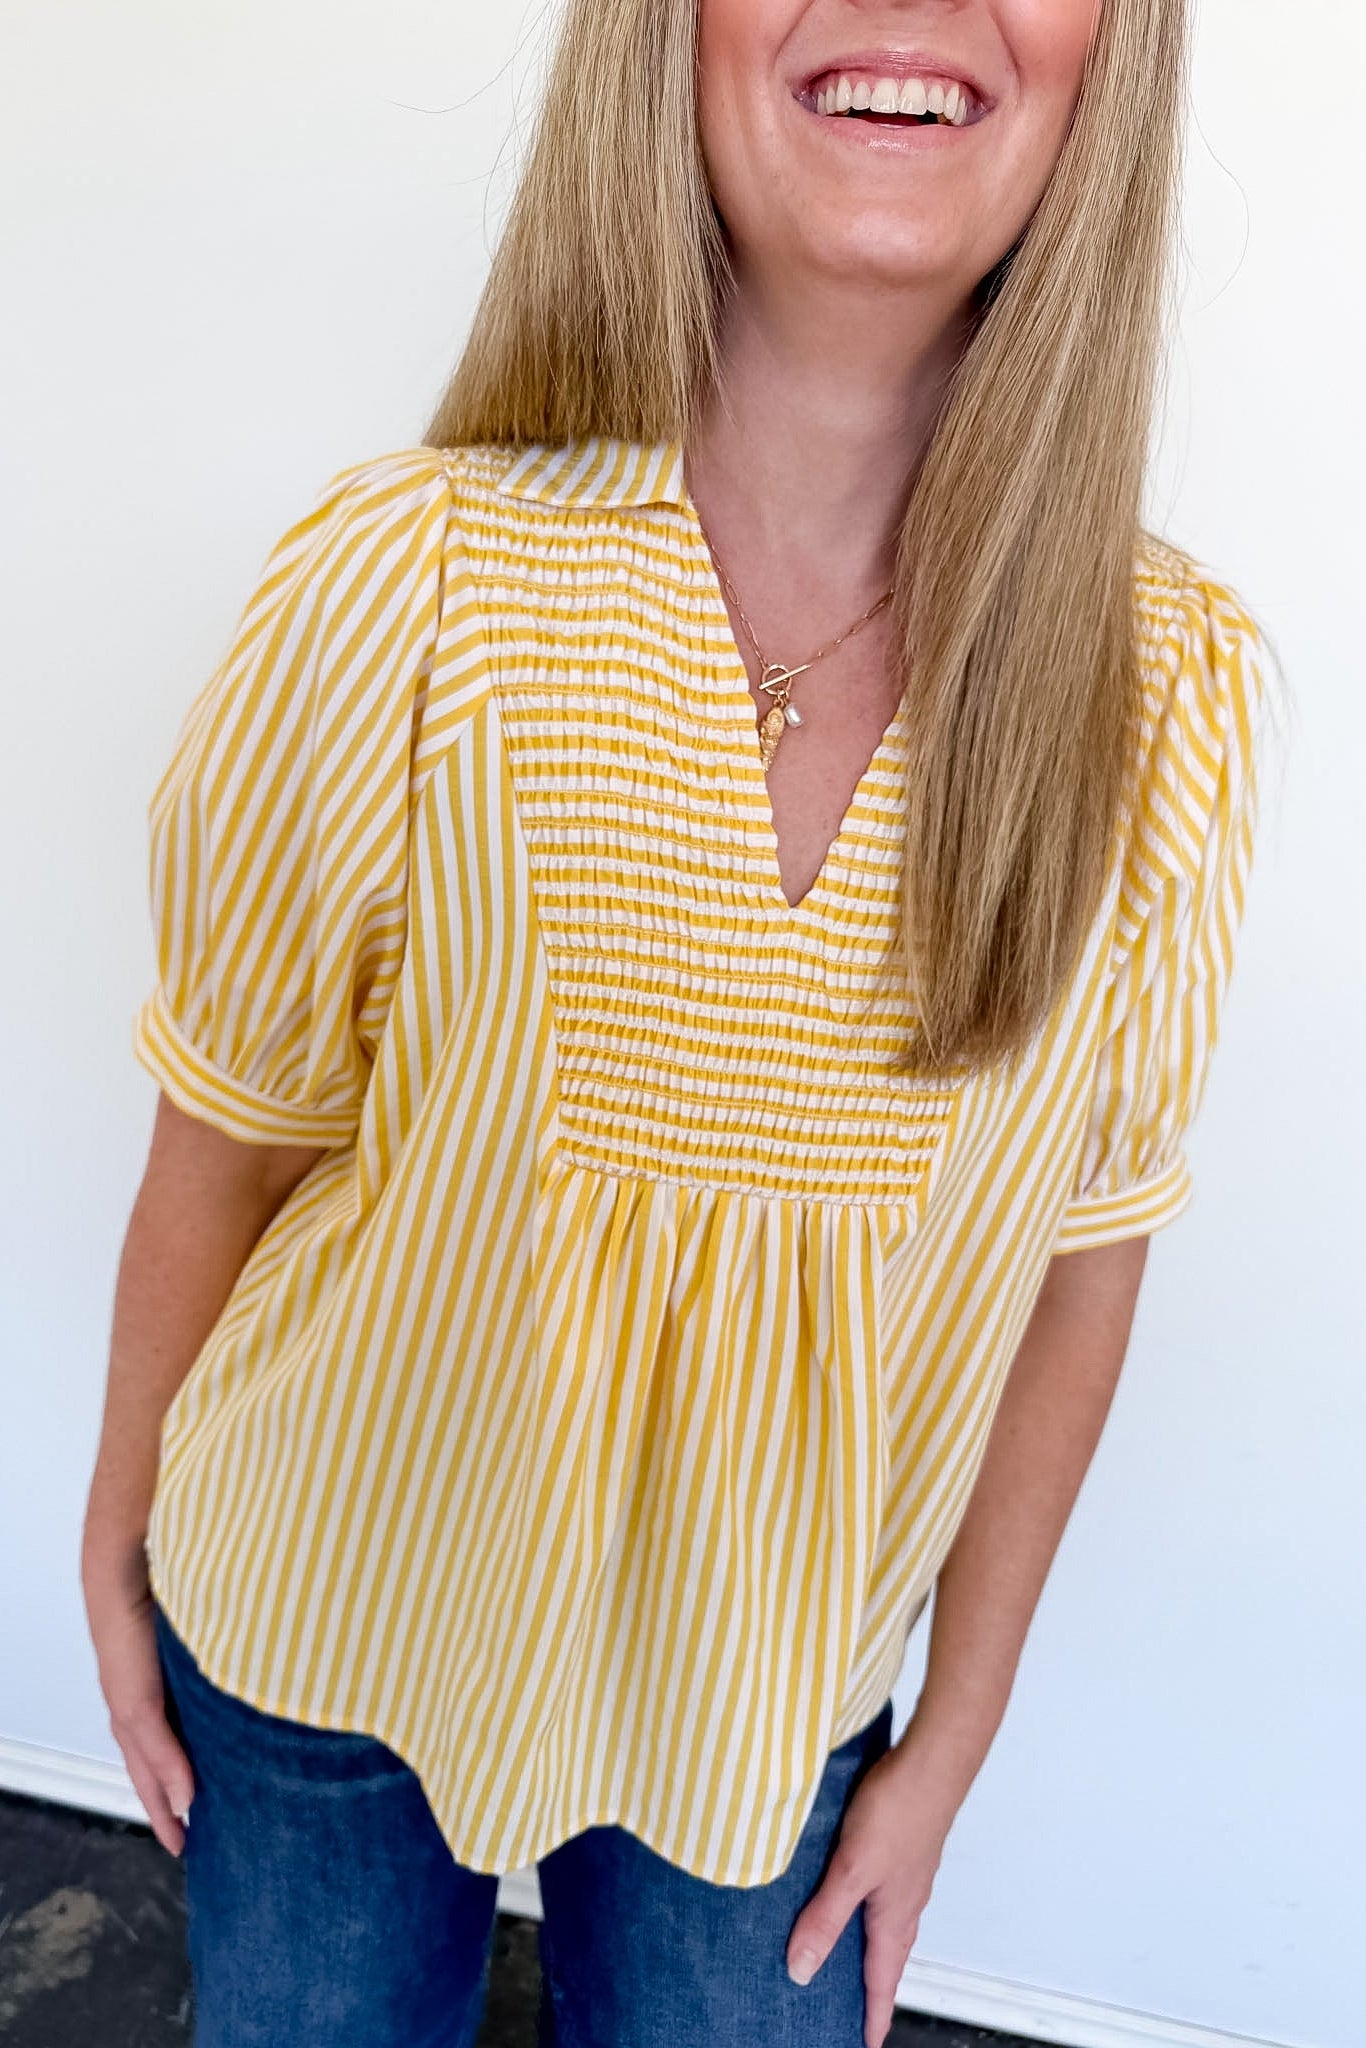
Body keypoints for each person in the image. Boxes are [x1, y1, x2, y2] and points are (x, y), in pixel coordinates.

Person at [81, 1, 1283, 2044]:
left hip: (772, 1699)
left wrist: (952, 1730)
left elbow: (1080, 1264)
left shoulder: (1153, 700)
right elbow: (234, 1125)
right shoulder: (409, 586)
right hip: (320, 1626)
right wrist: (118, 1533)